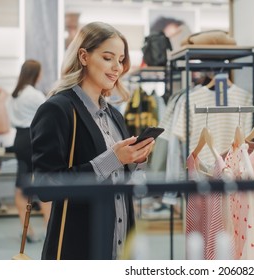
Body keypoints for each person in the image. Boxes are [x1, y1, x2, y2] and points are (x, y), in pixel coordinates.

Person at [30, 21, 155, 260]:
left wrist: (137, 162)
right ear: (84, 56)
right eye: (108, 58)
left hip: (119, 248)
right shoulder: (58, 109)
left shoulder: (115, 116)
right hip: (78, 247)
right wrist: (113, 159)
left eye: (120, 60)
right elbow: (45, 186)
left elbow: (129, 188)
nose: (117, 67)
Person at [8, 59, 51, 243]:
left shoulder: (14, 95)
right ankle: (50, 228)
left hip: (19, 139)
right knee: (43, 184)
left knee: (22, 186)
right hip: (34, 139)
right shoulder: (34, 94)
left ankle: (28, 231)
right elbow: (50, 113)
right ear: (36, 74)